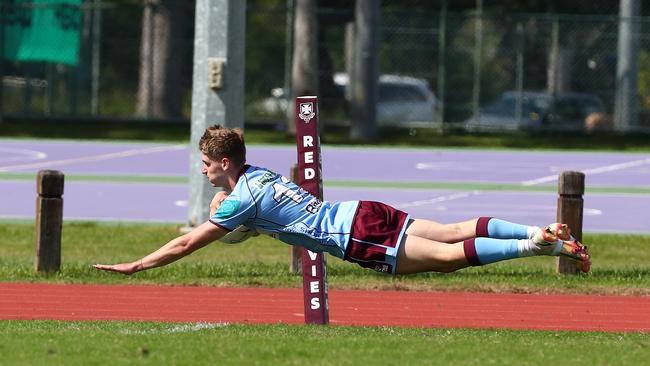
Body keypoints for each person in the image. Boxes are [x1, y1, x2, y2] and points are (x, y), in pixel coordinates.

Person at [94, 125, 590, 276]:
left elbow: (188, 246)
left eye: (206, 164)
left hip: (353, 235)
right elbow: (248, 219)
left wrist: (137, 264)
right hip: (363, 210)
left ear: (224, 162)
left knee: (442, 259)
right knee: (455, 229)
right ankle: (533, 230)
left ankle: (539, 246)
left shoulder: (235, 201)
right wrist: (227, 208)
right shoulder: (255, 175)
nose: (202, 171)